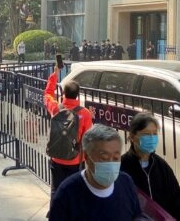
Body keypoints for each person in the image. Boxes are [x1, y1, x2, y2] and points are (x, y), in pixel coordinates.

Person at [48, 124, 142, 221]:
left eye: (116, 158)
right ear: (87, 157)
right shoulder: (67, 194)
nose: (111, 163)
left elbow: (137, 215)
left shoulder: (126, 182)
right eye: (104, 158)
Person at [120, 113, 180, 221]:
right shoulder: (122, 167)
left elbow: (177, 201)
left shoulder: (161, 166)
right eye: (146, 134)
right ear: (132, 137)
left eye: (154, 134)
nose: (151, 138)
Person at [44, 65, 93, 208]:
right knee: (75, 191)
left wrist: (54, 74)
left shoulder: (55, 108)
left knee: (55, 190)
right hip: (76, 161)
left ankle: (55, 214)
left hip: (56, 157)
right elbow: (87, 139)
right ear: (78, 95)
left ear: (63, 93)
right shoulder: (84, 114)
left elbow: (47, 94)